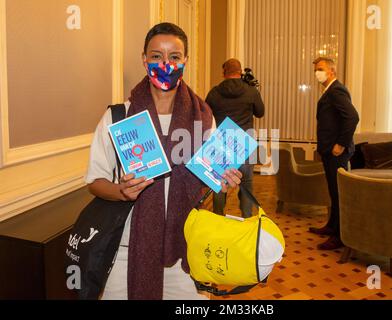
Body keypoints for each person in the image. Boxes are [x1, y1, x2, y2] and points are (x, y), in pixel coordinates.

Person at [85, 22, 242, 300]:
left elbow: (207, 185)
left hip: (185, 252)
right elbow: (95, 182)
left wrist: (223, 182)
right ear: (144, 59)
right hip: (127, 251)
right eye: (156, 56)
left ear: (185, 61)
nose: (165, 64)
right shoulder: (119, 117)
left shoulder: (204, 118)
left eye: (174, 57)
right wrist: (121, 191)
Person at [309, 57, 359, 250]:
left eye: (320, 69)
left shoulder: (337, 90)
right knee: (333, 191)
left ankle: (339, 237)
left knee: (338, 194)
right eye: (315, 69)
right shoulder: (329, 90)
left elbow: (352, 117)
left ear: (331, 71)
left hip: (337, 152)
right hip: (329, 151)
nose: (317, 73)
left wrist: (340, 144)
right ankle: (332, 226)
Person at [205, 59, 265, 218]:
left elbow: (205, 115)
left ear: (224, 73)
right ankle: (247, 218)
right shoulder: (251, 91)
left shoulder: (214, 92)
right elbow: (260, 112)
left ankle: (218, 218)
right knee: (246, 184)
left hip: (222, 144)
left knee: (220, 183)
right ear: (240, 72)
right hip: (245, 144)